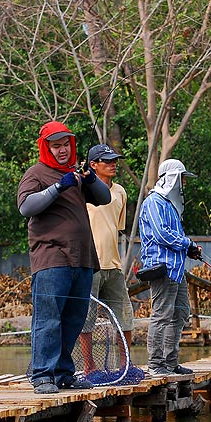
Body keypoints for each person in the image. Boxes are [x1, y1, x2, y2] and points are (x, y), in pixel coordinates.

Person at [17, 121, 111, 394]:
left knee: (74, 318)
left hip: (81, 259)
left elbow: (103, 198)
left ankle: (63, 373)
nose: (61, 150)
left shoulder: (76, 174)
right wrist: (59, 186)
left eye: (65, 145)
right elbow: (25, 207)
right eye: (55, 146)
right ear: (46, 148)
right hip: (51, 259)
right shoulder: (36, 174)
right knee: (49, 318)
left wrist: (90, 178)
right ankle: (42, 375)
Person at [138, 158, 202, 376]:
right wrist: (188, 243)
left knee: (181, 312)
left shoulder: (170, 205)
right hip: (162, 267)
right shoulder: (154, 202)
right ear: (172, 179)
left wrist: (189, 249)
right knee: (162, 315)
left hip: (177, 268)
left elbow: (176, 236)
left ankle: (170, 362)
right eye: (181, 178)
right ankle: (156, 364)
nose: (183, 184)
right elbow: (161, 234)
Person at [80, 144, 134, 373]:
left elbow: (117, 227)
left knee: (125, 316)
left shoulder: (120, 191)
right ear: (93, 165)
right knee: (86, 319)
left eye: (114, 160)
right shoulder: (82, 190)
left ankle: (126, 365)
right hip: (89, 264)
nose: (113, 164)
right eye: (107, 161)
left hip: (114, 265)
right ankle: (88, 367)